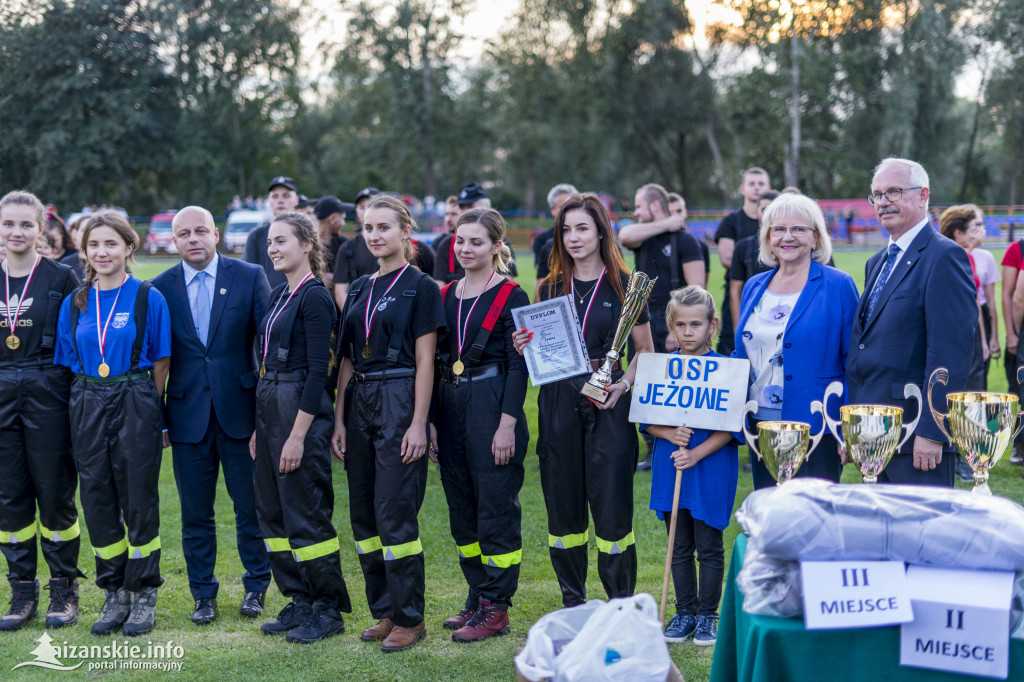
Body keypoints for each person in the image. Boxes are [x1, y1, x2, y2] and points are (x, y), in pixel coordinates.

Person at [512, 193, 654, 607]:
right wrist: (525, 344)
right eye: (566, 230)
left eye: (582, 229)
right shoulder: (550, 286)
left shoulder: (626, 285)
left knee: (612, 509)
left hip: (609, 402)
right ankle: (572, 602)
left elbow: (645, 351)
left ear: (601, 231)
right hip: (558, 401)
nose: (574, 238)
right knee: (564, 510)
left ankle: (620, 605)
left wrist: (622, 386)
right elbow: (544, 348)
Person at [332, 194, 445, 652]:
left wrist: (420, 423)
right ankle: (383, 609)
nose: (375, 236)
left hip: (401, 397)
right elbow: (343, 359)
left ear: (405, 232)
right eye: (368, 228)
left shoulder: (420, 286)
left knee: (395, 512)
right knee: (363, 515)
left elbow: (426, 360)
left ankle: (410, 617)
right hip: (359, 399)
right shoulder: (358, 288)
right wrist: (338, 417)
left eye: (383, 227)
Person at [151, 206, 272, 626]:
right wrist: (161, 419)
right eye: (183, 234)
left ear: (216, 234)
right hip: (186, 418)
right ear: (174, 240)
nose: (193, 239)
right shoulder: (159, 288)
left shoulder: (250, 275)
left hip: (241, 414)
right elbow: (157, 359)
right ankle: (203, 594)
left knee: (249, 508)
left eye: (200, 231)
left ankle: (256, 586)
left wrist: (265, 415)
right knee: (195, 513)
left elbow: (268, 344)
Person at [54, 211, 171, 636]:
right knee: (98, 499)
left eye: (110, 244)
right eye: (93, 245)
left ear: (128, 247)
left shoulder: (146, 296)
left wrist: (146, 406)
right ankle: (114, 591)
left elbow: (161, 360)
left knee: (138, 498)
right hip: (86, 397)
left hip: (135, 395)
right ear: (84, 252)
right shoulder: (76, 301)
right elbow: (69, 362)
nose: (102, 252)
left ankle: (142, 592)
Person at [251, 211, 351, 643]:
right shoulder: (278, 294)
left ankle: (327, 608)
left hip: (300, 411)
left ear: (307, 244)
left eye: (282, 241)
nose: (273, 248)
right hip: (270, 405)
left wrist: (296, 434)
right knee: (272, 514)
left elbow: (317, 374)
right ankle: (299, 599)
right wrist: (262, 427)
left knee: (307, 514)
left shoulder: (314, 296)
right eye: (270, 241)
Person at [846, 158, 976, 486]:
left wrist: (933, 431)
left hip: (915, 434)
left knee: (921, 537)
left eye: (894, 191)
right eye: (877, 195)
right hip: (872, 431)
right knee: (882, 535)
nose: (884, 202)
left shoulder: (944, 256)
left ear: (923, 195)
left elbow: (951, 352)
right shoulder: (878, 262)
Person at [434, 208, 530, 642]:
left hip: (493, 404)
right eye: (460, 240)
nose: (466, 248)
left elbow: (518, 364)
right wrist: (433, 422)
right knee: (462, 508)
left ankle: (497, 607)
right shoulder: (446, 294)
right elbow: (437, 362)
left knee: (494, 507)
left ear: (496, 246)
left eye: (476, 241)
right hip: (451, 402)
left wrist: (507, 424)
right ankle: (476, 595)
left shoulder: (513, 295)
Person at [734, 192, 857, 489]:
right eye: (779, 229)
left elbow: (854, 360)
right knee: (771, 515)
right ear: (767, 237)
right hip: (761, 427)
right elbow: (742, 353)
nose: (787, 237)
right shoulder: (754, 286)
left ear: (815, 237)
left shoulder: (838, 285)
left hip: (816, 427)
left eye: (798, 229)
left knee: (814, 519)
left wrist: (848, 430)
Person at [0, 191, 81, 632]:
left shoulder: (62, 278)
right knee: (10, 500)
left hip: (49, 392)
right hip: (0, 394)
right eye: (9, 224)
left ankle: (63, 590)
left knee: (54, 496)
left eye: (26, 225)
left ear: (41, 229)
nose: (17, 232)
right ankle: (21, 590)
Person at [640, 286, 738, 647]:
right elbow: (645, 420)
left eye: (696, 324)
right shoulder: (661, 369)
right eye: (680, 325)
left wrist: (696, 453)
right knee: (678, 545)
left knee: (709, 545)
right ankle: (684, 611)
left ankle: (707, 615)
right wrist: (669, 432)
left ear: (712, 325)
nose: (688, 332)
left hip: (709, 468)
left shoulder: (727, 370)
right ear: (670, 325)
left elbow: (731, 428)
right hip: (672, 468)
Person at [618, 183, 705, 353]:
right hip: (642, 318)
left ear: (655, 205)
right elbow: (625, 236)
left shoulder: (685, 241)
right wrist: (666, 223)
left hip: (673, 318)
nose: (635, 213)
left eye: (638, 207)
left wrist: (678, 328)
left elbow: (697, 291)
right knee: (642, 376)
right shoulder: (642, 238)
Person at [714, 167, 770, 355]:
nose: (756, 188)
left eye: (761, 184)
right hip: (738, 292)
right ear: (742, 189)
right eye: (751, 184)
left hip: (771, 294)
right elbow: (727, 258)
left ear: (768, 187)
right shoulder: (731, 221)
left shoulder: (776, 223)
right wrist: (746, 254)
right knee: (732, 349)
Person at [433, 183, 517, 285]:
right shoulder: (445, 245)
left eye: (477, 243)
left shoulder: (502, 242)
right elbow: (439, 287)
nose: (465, 249)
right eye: (461, 207)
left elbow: (505, 288)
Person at [729, 190, 779, 335]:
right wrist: (738, 327)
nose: (768, 214)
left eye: (773, 209)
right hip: (753, 321)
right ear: (756, 212)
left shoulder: (789, 246)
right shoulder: (743, 247)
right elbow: (735, 290)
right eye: (764, 209)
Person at [244, 176, 300, 290]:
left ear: (297, 200)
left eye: (286, 195)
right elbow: (247, 276)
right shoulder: (256, 235)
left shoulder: (306, 235)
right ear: (269, 201)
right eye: (275, 196)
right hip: (268, 303)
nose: (280, 200)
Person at [967, 207, 1000, 387]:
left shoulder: (986, 257)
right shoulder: (954, 252)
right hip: (966, 316)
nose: (979, 229)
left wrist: (993, 336)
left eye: (981, 224)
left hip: (982, 315)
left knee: (980, 373)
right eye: (975, 225)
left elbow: (990, 300)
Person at [533, 184, 579, 292]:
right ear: (552, 209)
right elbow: (541, 277)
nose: (568, 209)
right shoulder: (544, 242)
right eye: (563, 205)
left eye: (573, 205)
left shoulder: (592, 239)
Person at [314, 196, 354, 290]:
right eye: (343, 218)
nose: (344, 224)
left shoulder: (343, 242)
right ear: (332, 219)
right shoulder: (310, 246)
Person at [668, 192, 710, 280]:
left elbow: (702, 289)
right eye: (670, 212)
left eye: (679, 211)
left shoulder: (702, 247)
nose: (675, 216)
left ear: (685, 212)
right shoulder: (656, 243)